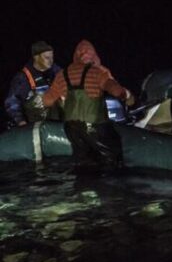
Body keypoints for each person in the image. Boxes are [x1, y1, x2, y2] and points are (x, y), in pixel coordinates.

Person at [42, 40, 135, 172]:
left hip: (72, 128)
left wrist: (62, 97)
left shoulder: (62, 74)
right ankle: (110, 190)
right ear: (94, 56)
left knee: (83, 162)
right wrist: (126, 95)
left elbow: (47, 101)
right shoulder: (97, 72)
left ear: (75, 56)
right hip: (95, 127)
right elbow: (114, 89)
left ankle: (83, 189)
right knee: (112, 159)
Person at [4, 41, 62, 127]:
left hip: (57, 123)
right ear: (36, 57)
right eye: (47, 57)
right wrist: (21, 122)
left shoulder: (56, 71)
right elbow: (12, 102)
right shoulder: (23, 77)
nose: (51, 60)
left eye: (52, 57)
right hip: (35, 126)